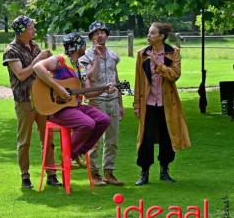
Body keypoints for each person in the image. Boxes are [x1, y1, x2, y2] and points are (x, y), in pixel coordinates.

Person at [33, 32, 113, 164]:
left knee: (104, 120)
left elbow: (87, 93)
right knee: (87, 124)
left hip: (75, 106)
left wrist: (104, 89)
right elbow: (37, 67)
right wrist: (58, 88)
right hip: (57, 109)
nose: (85, 47)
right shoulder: (60, 60)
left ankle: (77, 153)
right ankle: (68, 154)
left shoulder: (80, 66)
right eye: (83, 44)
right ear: (77, 46)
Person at [2, 15, 62, 189]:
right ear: (22, 31)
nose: (34, 30)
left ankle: (51, 174)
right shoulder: (11, 50)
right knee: (24, 141)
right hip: (25, 101)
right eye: (31, 28)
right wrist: (38, 60)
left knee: (48, 138)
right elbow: (21, 75)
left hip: (43, 99)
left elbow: (42, 70)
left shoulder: (34, 46)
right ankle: (25, 177)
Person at [133, 22, 191, 186]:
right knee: (146, 138)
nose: (148, 35)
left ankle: (164, 171)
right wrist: (137, 104)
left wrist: (159, 66)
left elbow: (175, 75)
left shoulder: (173, 53)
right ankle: (144, 173)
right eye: (149, 33)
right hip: (148, 104)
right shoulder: (141, 54)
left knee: (167, 138)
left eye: (152, 33)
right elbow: (138, 81)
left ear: (161, 36)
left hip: (167, 104)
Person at [79, 21, 125, 186]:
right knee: (95, 140)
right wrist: (97, 58)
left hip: (112, 101)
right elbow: (90, 78)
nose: (100, 35)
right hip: (96, 101)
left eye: (103, 32)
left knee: (112, 139)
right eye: (96, 33)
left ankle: (109, 173)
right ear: (91, 37)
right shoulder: (85, 58)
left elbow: (117, 80)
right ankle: (94, 174)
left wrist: (121, 103)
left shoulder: (113, 56)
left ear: (107, 35)